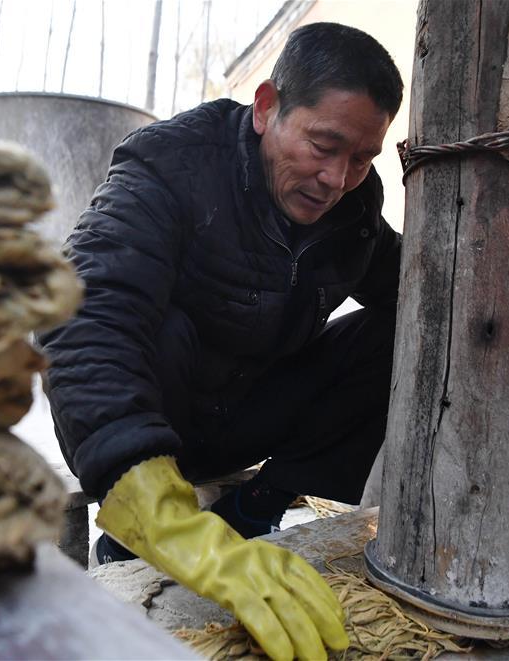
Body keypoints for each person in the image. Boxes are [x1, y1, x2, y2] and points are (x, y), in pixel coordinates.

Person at [40, 22, 403, 661]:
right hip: (165, 422)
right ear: (266, 108)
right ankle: (137, 533)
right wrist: (166, 518)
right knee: (140, 320)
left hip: (251, 411)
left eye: (362, 158)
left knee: (405, 331)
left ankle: (254, 507)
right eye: (323, 145)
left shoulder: (354, 209)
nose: (335, 179)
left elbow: (429, 298)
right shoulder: (170, 167)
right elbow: (81, 313)